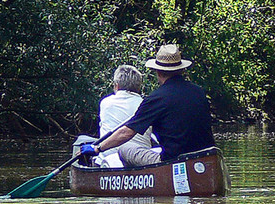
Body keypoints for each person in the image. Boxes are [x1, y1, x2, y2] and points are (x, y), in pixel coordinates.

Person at [81, 43, 215, 167]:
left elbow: (126, 133)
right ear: (181, 70)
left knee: (125, 149)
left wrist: (98, 148)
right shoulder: (199, 92)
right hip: (206, 158)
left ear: (158, 72)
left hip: (173, 161)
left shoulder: (156, 98)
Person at [80, 64, 154, 166]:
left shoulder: (106, 102)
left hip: (108, 160)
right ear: (138, 87)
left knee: (83, 141)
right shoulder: (147, 105)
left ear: (116, 85)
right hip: (139, 161)